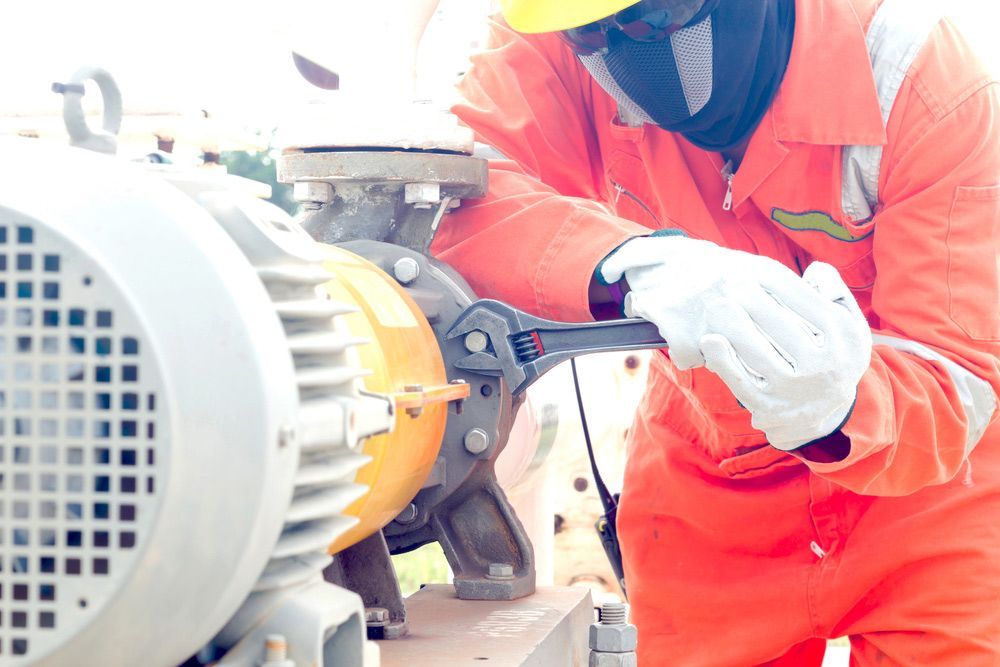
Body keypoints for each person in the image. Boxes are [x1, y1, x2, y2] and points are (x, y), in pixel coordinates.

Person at [431, 0, 1000, 664]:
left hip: (927, 502)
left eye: (654, 19)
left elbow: (956, 371)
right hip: (709, 492)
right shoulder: (558, 30)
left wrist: (841, 407)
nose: (625, 58)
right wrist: (628, 266)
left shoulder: (919, 78)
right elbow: (454, 196)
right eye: (598, 31)